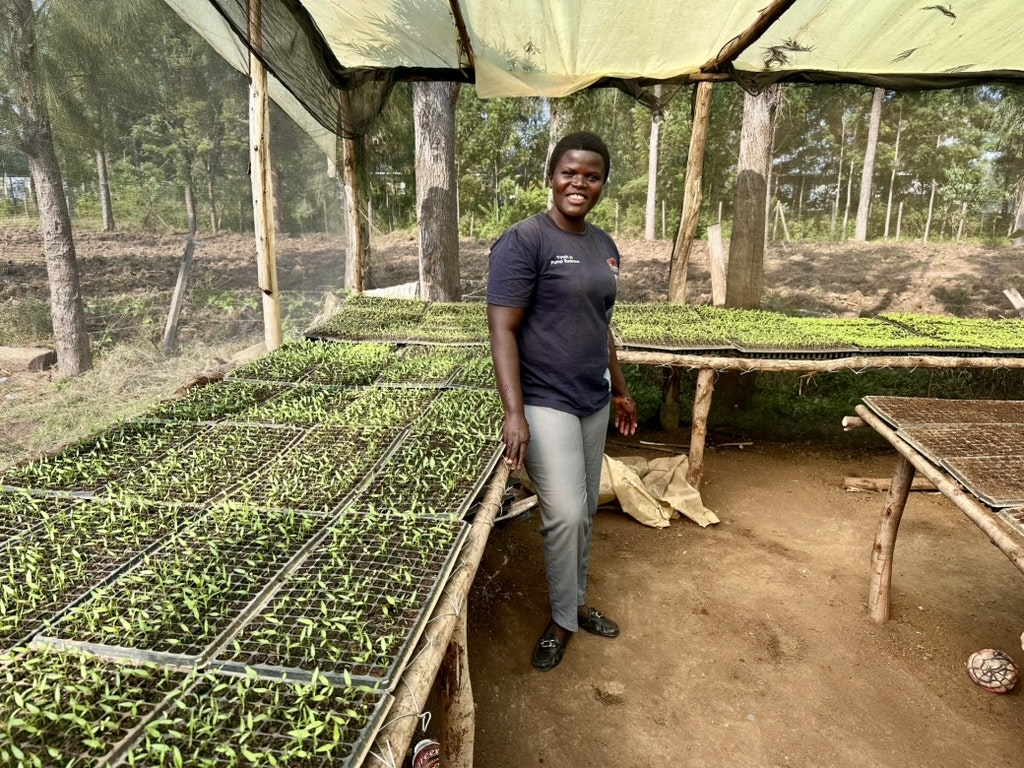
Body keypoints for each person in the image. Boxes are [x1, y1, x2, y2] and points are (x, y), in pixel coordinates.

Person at [486, 130, 638, 671]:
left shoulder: (604, 247)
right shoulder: (525, 240)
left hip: (592, 398)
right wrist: (514, 411)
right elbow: (501, 329)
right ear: (551, 177)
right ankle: (559, 619)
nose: (580, 183)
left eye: (592, 176)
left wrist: (619, 389)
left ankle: (573, 606)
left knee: (587, 509)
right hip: (545, 396)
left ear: (602, 185)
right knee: (566, 513)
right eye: (569, 173)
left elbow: (603, 326)